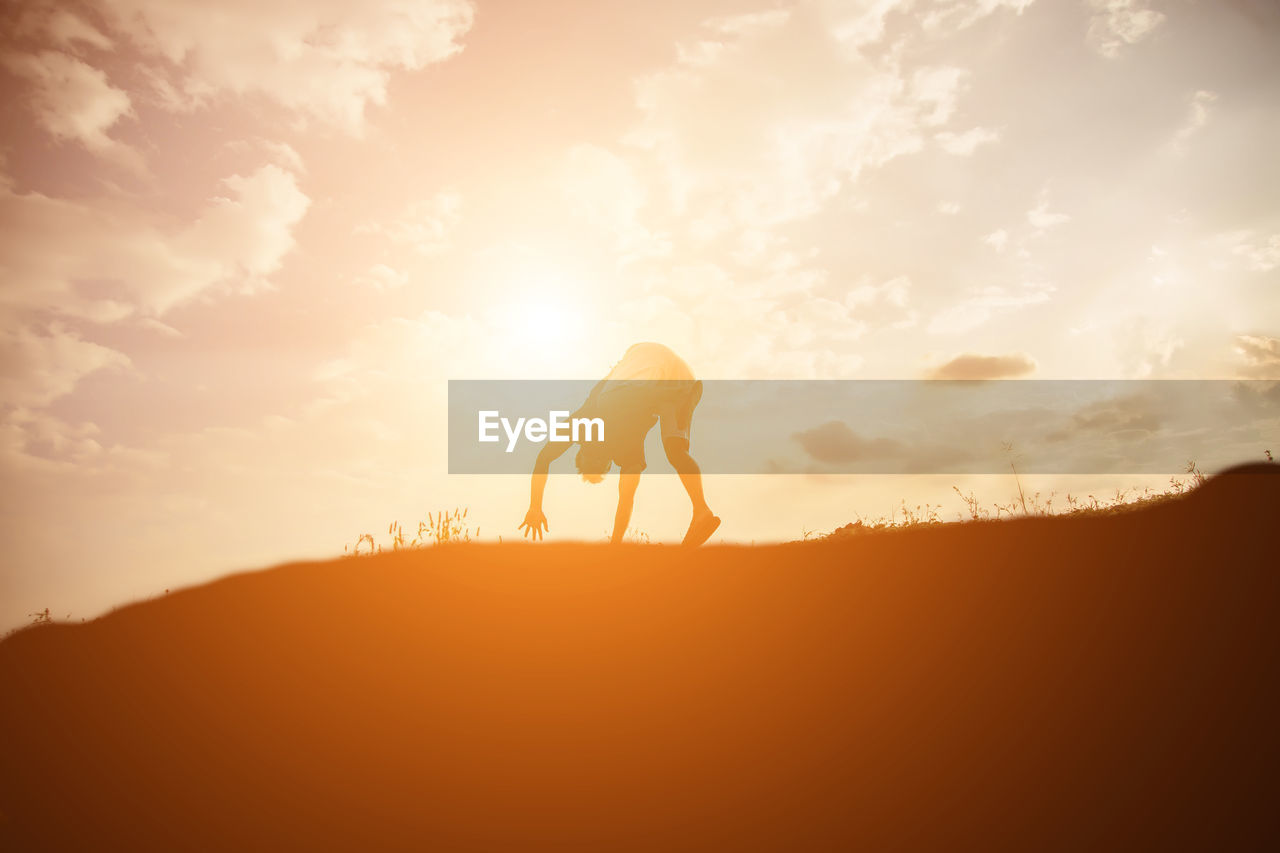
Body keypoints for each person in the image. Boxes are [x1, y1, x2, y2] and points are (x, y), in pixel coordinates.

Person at [519, 342, 721, 547]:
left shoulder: (584, 423)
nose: (598, 456)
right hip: (683, 381)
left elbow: (544, 458)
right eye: (601, 465)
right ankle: (701, 511)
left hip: (645, 371)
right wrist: (615, 545)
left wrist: (535, 506)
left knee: (607, 402)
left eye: (592, 462)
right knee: (676, 453)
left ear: (582, 449)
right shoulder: (627, 450)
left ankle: (700, 510)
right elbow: (625, 499)